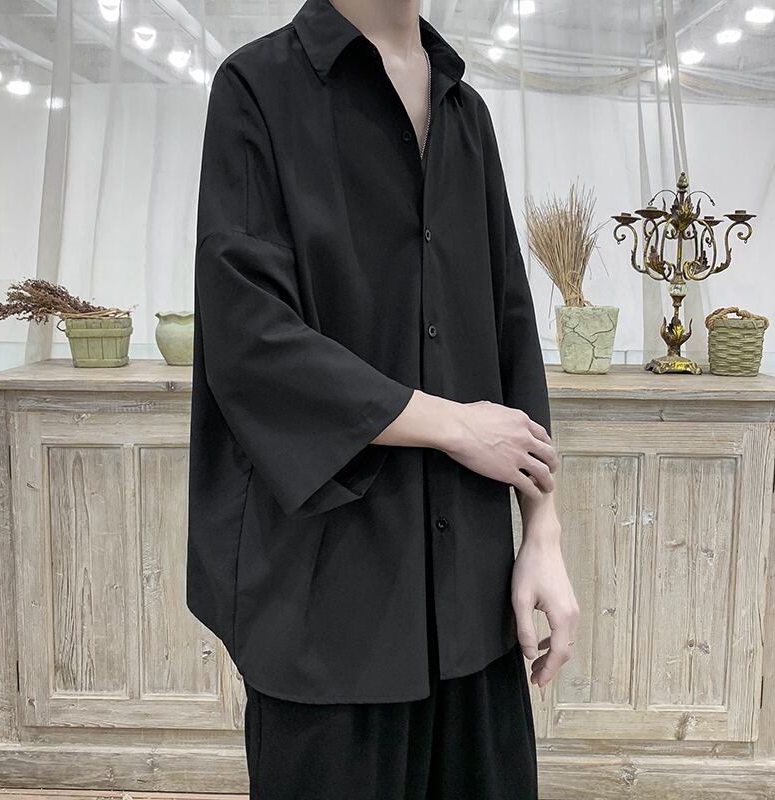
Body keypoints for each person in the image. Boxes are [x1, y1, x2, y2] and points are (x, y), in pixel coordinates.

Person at [186, 0, 579, 797]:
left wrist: (543, 532)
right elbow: (249, 335)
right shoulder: (257, 87)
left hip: (473, 609)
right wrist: (451, 425)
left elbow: (509, 322)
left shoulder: (467, 114)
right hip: (329, 604)